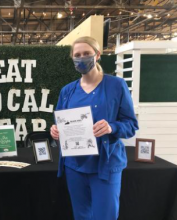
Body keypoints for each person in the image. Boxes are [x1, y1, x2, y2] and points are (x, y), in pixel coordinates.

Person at [50, 36, 138, 220]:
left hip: (105, 165)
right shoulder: (67, 91)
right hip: (74, 165)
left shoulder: (116, 85)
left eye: (87, 53)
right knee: (81, 216)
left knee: (105, 216)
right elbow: (60, 120)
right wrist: (56, 131)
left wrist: (111, 127)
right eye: (77, 54)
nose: (82, 58)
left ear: (97, 55)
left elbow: (131, 125)